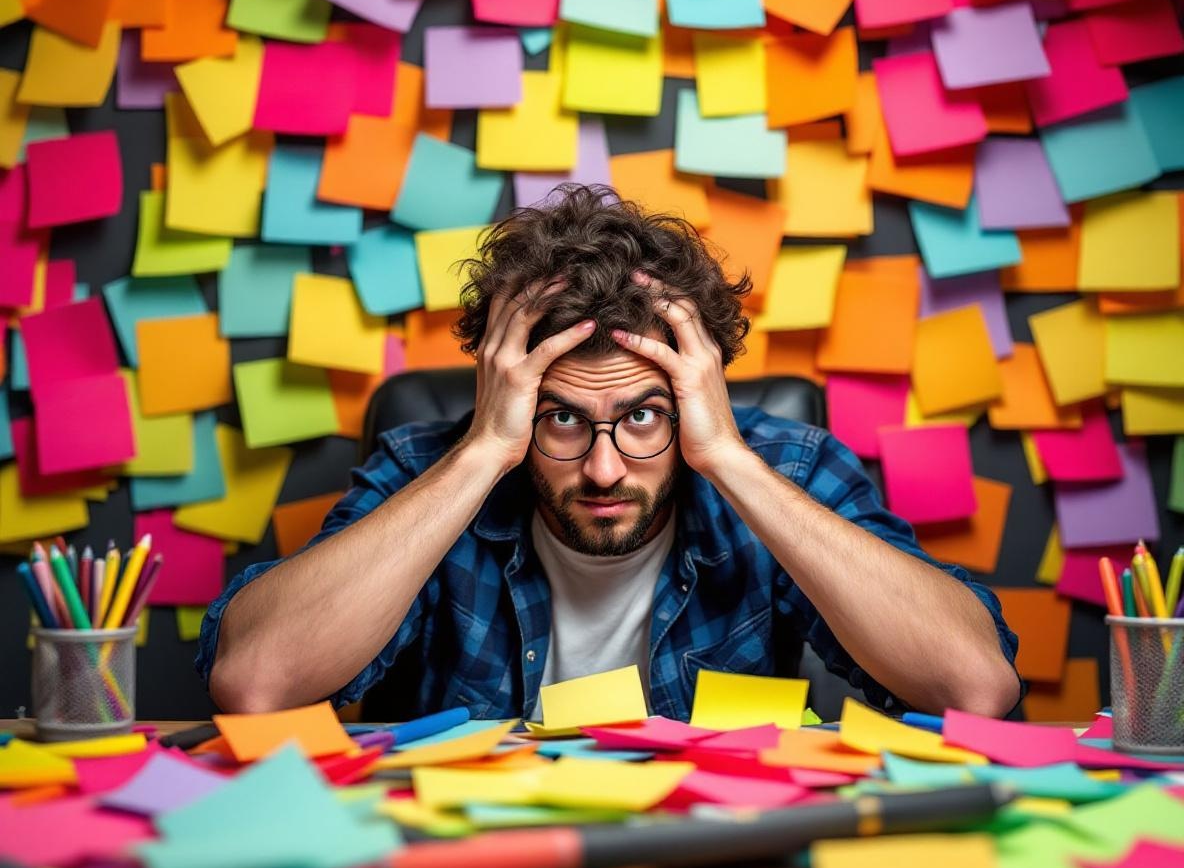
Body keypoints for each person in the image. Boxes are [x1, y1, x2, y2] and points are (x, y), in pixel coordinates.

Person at [199, 185, 1021, 722]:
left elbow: (974, 688)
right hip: (476, 863)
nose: (603, 469)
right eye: (560, 419)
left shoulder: (786, 469)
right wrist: (486, 449)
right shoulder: (430, 468)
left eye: (641, 418)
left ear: (695, 395)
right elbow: (255, 684)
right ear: (507, 391)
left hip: (712, 862)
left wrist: (727, 459)